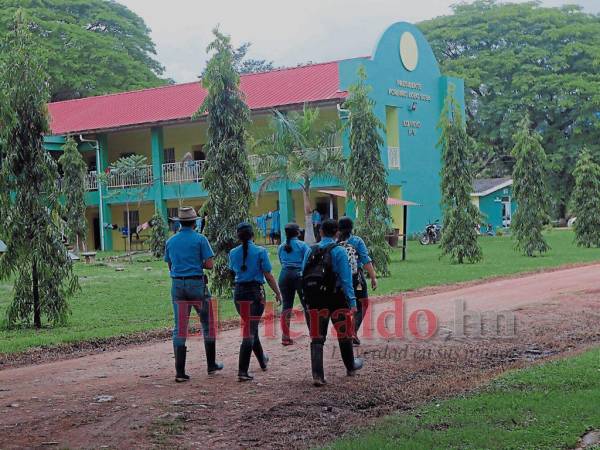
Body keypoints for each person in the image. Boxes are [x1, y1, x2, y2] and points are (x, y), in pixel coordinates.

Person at [302, 219, 363, 386]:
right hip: (337, 299)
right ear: (337, 233)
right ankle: (350, 367)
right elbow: (345, 279)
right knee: (344, 334)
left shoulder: (310, 250)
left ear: (320, 232)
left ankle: (317, 375)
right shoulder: (340, 251)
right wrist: (352, 302)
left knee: (317, 337)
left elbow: (303, 275)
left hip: (315, 300)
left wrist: (306, 300)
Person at [164, 207, 223, 383]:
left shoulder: (171, 241)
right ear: (194, 222)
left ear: (179, 223)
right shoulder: (200, 239)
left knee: (180, 327)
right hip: (197, 284)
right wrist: (196, 263)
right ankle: (211, 365)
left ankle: (180, 372)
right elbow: (210, 264)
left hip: (177, 284)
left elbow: (170, 265)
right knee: (208, 324)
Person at [229, 222, 283, 382]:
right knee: (250, 331)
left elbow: (233, 270)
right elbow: (268, 275)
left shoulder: (232, 252)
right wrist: (278, 293)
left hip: (239, 292)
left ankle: (262, 361)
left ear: (238, 236)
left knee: (250, 328)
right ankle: (242, 371)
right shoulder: (260, 251)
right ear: (253, 235)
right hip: (255, 293)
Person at [337, 217, 378, 346]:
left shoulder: (335, 242)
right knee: (362, 305)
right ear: (351, 227)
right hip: (356, 278)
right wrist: (373, 277)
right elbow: (365, 260)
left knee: (343, 306)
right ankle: (353, 331)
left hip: (339, 280)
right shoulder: (356, 241)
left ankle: (344, 333)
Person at [277, 223, 311, 346]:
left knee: (286, 306)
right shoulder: (303, 246)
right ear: (297, 232)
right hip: (299, 276)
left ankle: (285, 337)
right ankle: (313, 334)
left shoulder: (281, 246)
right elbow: (307, 262)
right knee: (307, 305)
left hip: (284, 275)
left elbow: (281, 261)